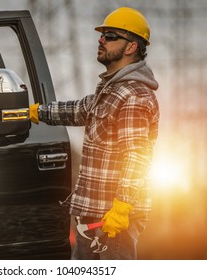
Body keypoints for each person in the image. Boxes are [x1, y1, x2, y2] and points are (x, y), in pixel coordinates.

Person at [30, 7, 159, 259]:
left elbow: (137, 156)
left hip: (111, 218)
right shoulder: (110, 90)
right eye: (102, 35)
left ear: (131, 47)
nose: (101, 40)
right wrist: (36, 112)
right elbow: (79, 109)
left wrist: (121, 207)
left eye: (110, 36)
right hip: (93, 213)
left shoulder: (134, 95)